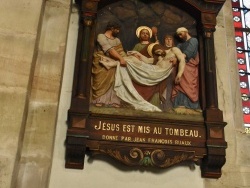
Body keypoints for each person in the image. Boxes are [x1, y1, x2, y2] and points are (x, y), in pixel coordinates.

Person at [98, 43, 185, 112]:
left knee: (132, 60)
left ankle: (111, 63)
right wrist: (138, 54)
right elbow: (147, 61)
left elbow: (182, 60)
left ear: (161, 47)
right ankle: (112, 63)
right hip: (153, 69)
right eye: (155, 51)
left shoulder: (174, 50)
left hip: (157, 73)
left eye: (157, 49)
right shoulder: (160, 57)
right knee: (132, 58)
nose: (157, 52)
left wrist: (179, 74)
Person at [91, 21, 127, 107]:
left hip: (114, 62)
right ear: (111, 28)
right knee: (101, 80)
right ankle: (99, 100)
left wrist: (127, 58)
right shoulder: (101, 36)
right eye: (117, 29)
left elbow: (121, 52)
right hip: (102, 62)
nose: (118, 31)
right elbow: (108, 49)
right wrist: (121, 59)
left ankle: (114, 101)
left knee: (115, 80)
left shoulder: (117, 40)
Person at [171, 27, 201, 114]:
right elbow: (175, 52)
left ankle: (190, 106)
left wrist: (180, 57)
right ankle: (180, 103)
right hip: (182, 65)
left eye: (181, 34)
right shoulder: (180, 44)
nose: (180, 36)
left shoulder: (193, 40)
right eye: (178, 35)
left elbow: (189, 52)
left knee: (189, 85)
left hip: (190, 66)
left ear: (185, 32)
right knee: (180, 84)